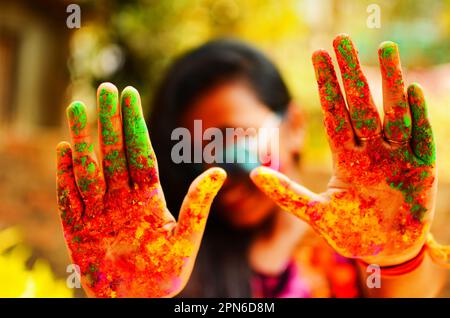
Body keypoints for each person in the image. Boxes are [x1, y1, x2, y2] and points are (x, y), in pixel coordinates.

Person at [56, 34, 448, 298]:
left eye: (231, 139)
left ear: (294, 126)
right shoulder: (166, 263)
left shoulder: (353, 252)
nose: (216, 175)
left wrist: (396, 255)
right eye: (192, 149)